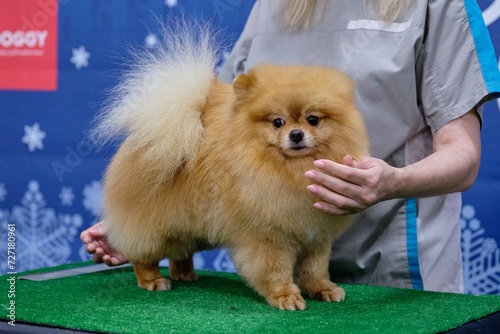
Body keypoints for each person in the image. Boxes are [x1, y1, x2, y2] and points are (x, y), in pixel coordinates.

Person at [81, 0, 500, 293]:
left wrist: (392, 182)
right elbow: (217, 140)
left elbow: (462, 156)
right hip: (273, 277)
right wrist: (147, 218)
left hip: (395, 276)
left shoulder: (437, 4)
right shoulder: (273, 5)